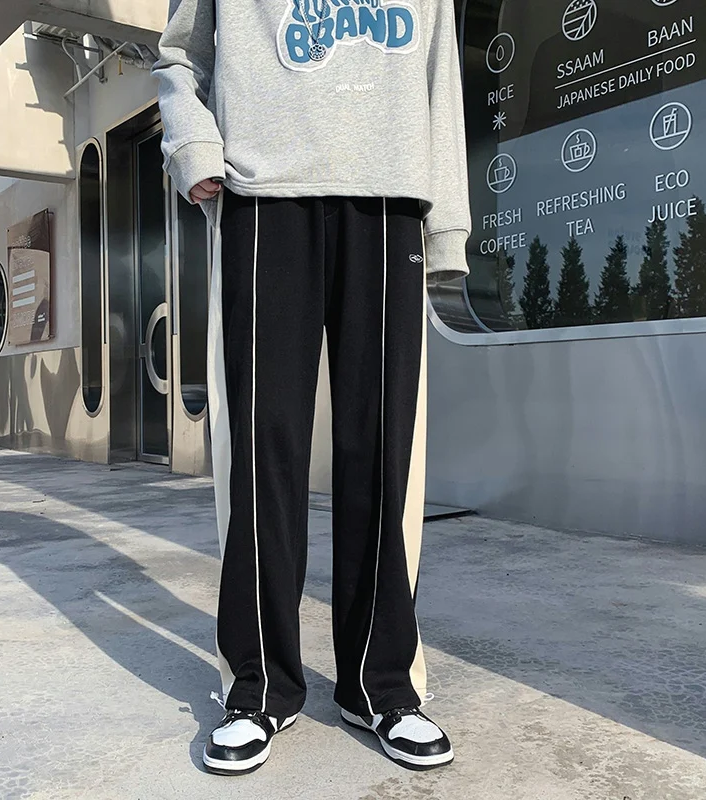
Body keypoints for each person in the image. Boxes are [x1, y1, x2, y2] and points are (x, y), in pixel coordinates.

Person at [153, 0, 471, 775]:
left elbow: (441, 76)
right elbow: (181, 55)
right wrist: (193, 147)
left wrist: (447, 228)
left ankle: (380, 684)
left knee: (384, 449)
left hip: (390, 195)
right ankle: (259, 687)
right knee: (263, 451)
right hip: (263, 194)